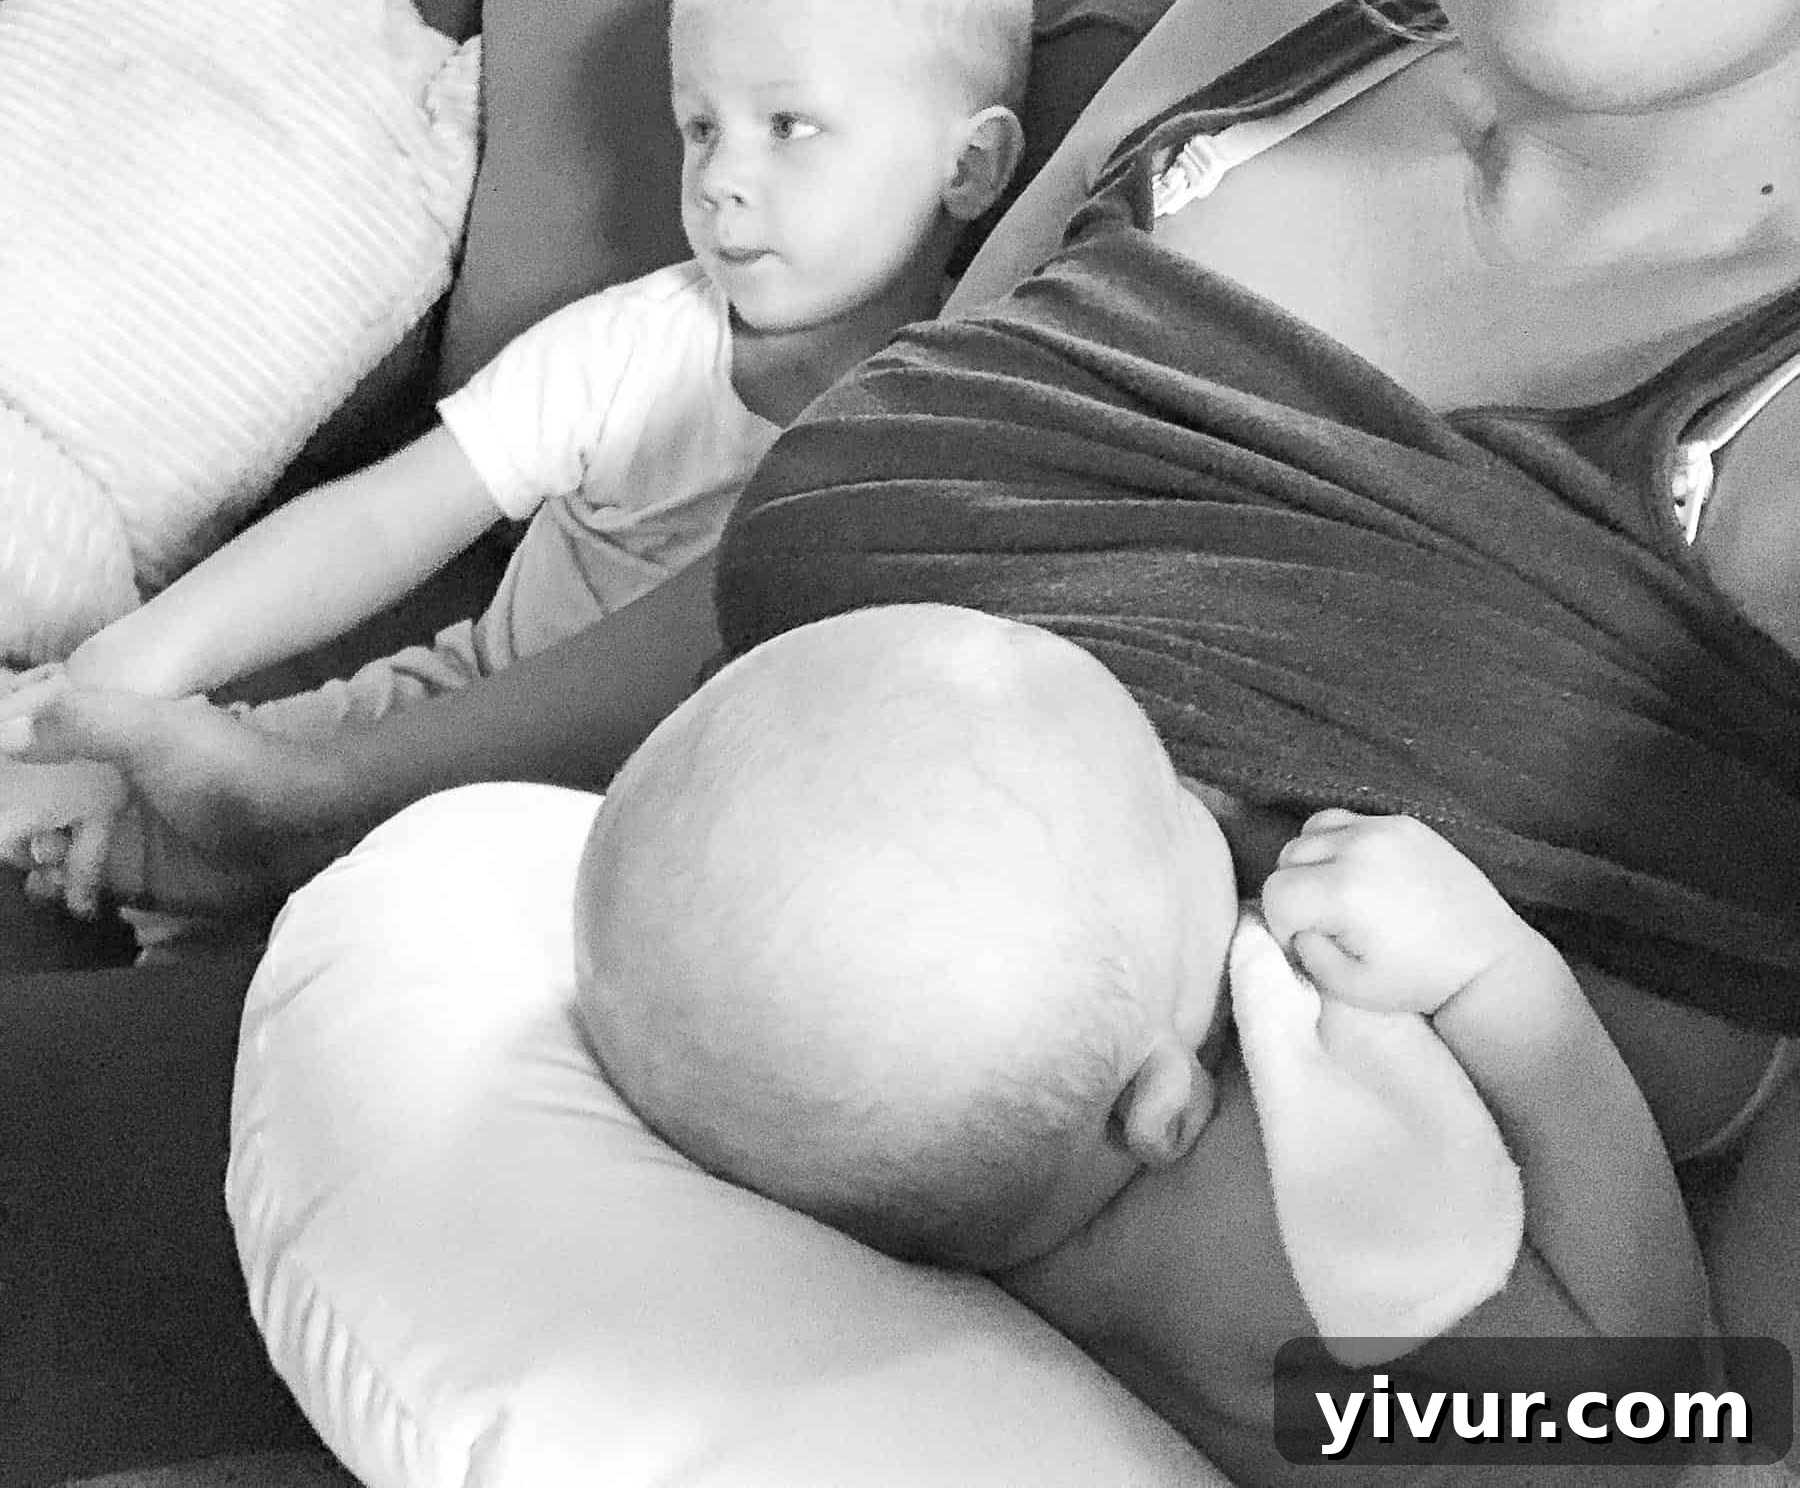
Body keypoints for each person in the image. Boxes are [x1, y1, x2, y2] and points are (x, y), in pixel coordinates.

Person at [3, 0, 1800, 1471]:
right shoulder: (1251, 45)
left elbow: (1717, 1432)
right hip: (523, 1099)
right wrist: (301, 790)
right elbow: (827, 569)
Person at [1, 0, 1038, 921]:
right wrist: (129, 662)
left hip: (701, 814)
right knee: (118, 803)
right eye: (701, 127)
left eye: (790, 126)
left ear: (969, 166)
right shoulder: (636, 341)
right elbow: (384, 517)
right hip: (451, 714)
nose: (721, 177)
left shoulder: (969, 405)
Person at [573, 603, 1710, 1484]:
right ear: (1161, 1106)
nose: (1213, 799)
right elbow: (1639, 1410)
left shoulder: (982, 1238)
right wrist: (1498, 974)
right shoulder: (1300, 1213)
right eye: (1171, 809)